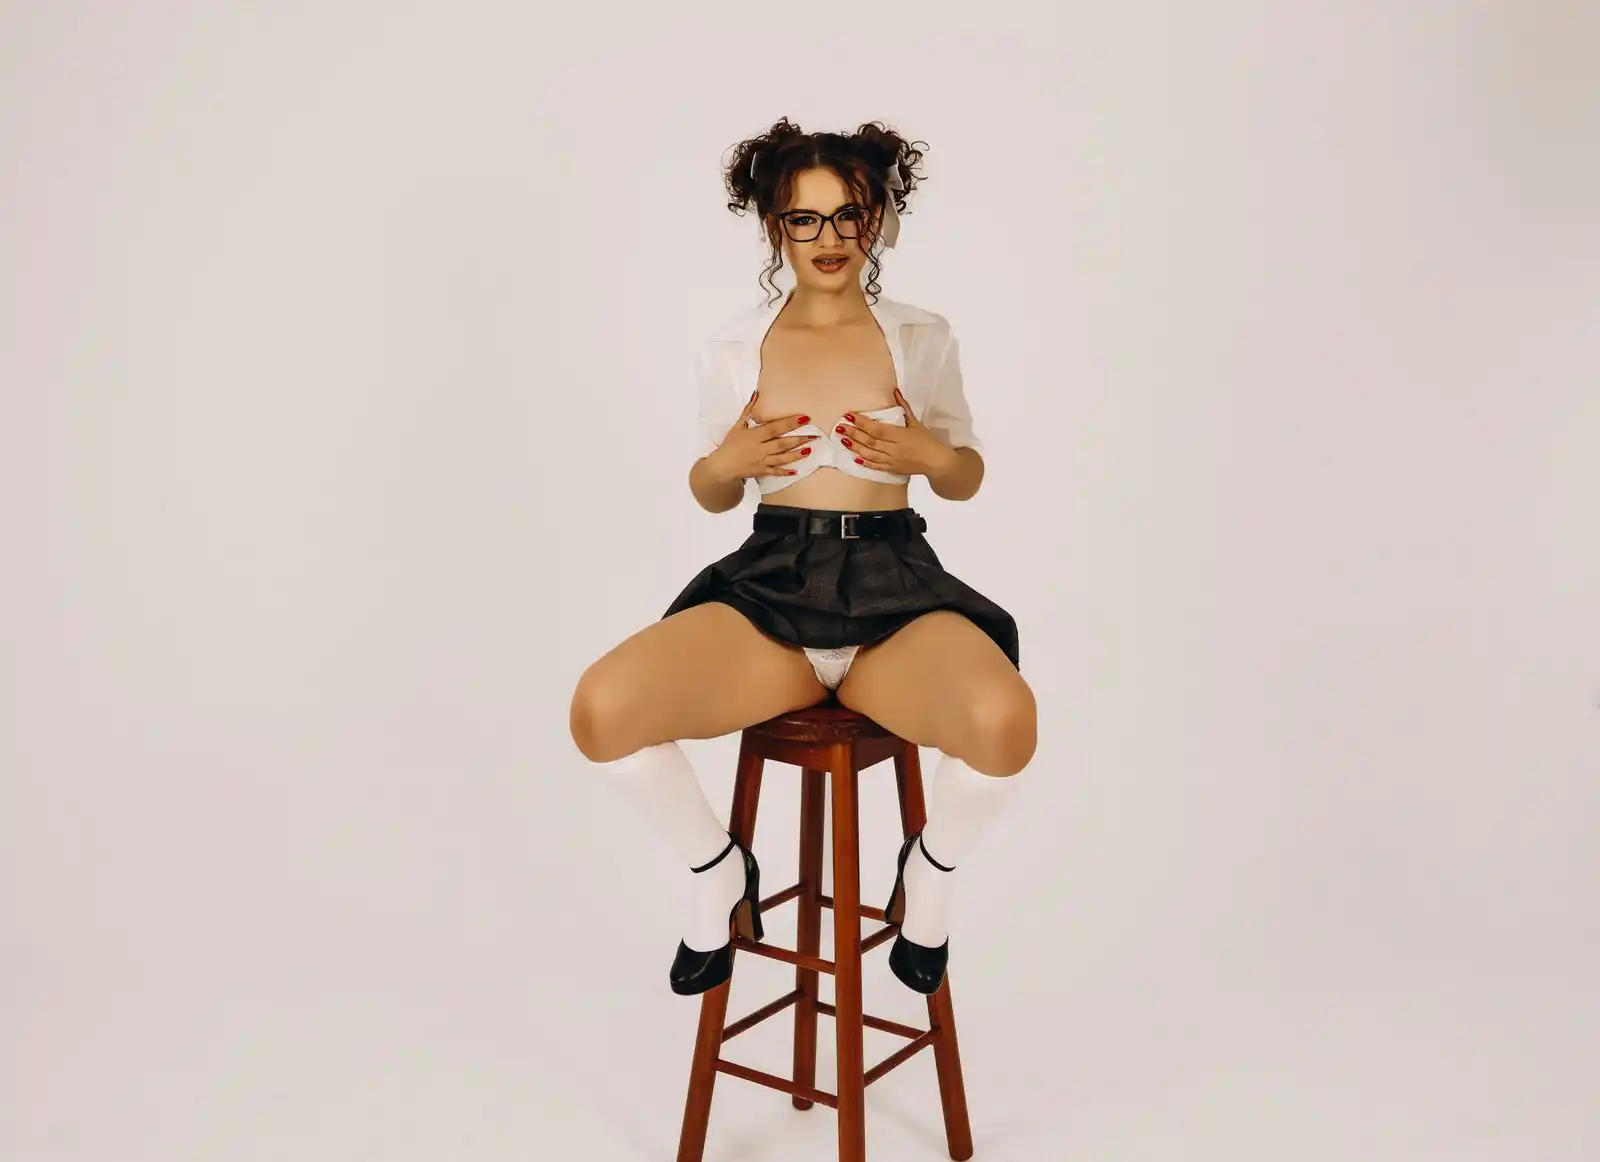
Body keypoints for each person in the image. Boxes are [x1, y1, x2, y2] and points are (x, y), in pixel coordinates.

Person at [569, 117, 1036, 999]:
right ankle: (717, 871)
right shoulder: (733, 347)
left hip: (896, 588)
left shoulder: (921, 336)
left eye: (849, 214)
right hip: (771, 587)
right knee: (602, 709)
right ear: (774, 225)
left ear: (878, 218)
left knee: (1007, 724)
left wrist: (929, 457)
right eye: (804, 218)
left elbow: (966, 476)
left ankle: (929, 874)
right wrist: (726, 465)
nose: (829, 237)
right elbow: (711, 491)